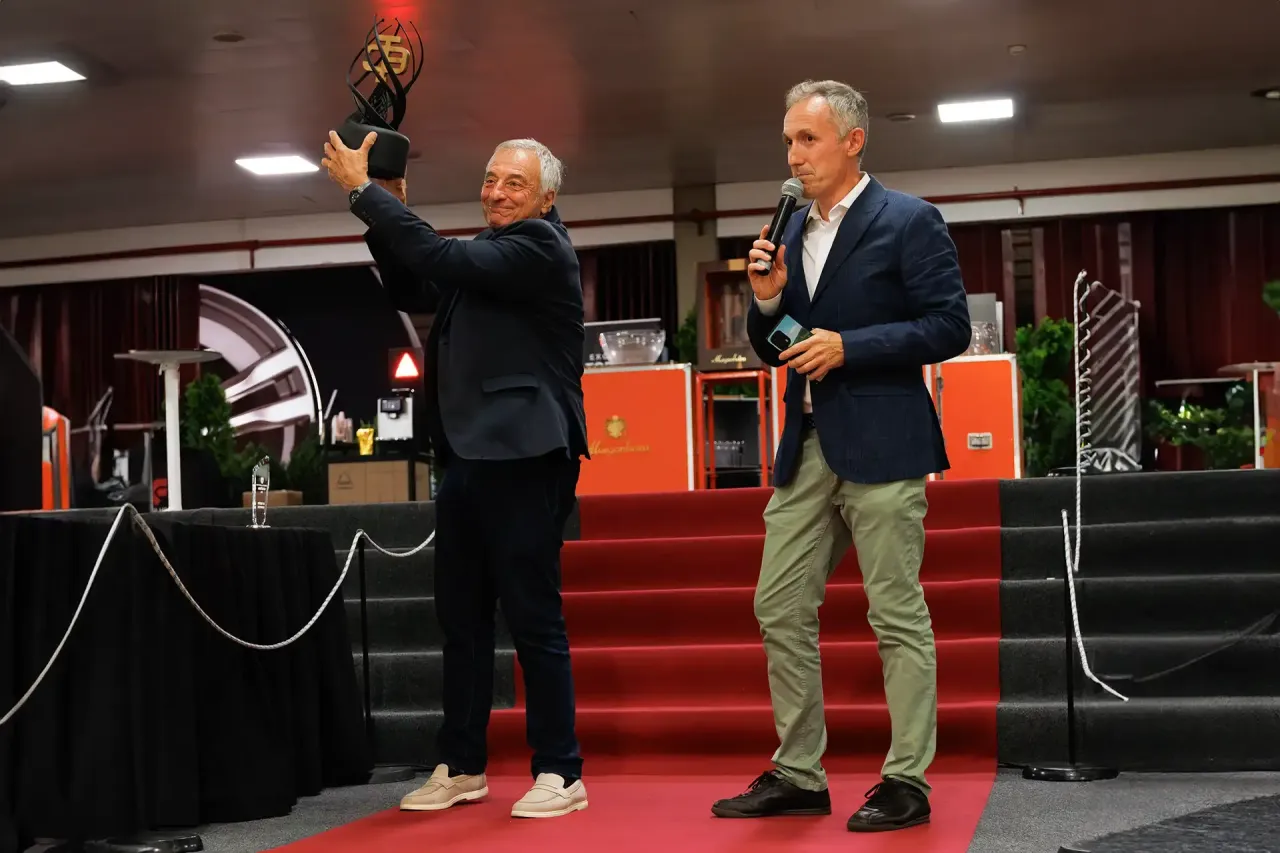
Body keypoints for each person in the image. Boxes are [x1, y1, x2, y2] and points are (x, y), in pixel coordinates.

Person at [709, 80, 971, 832]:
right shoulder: (789, 230)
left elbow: (948, 326)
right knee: (778, 604)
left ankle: (907, 779)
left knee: (895, 612)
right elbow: (782, 347)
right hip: (807, 444)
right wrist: (767, 302)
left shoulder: (910, 219)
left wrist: (851, 346)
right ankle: (799, 772)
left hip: (886, 441)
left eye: (808, 139)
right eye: (788, 141)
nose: (794, 156)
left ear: (854, 141)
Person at [322, 132, 590, 819]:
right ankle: (463, 764)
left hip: (527, 455)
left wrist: (366, 193)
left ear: (547, 199)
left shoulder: (540, 246)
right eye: (491, 178)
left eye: (514, 184)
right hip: (468, 456)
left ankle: (561, 771)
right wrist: (386, 208)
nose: (496, 192)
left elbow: (439, 256)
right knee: (461, 621)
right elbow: (414, 280)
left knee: (533, 618)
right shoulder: (489, 255)